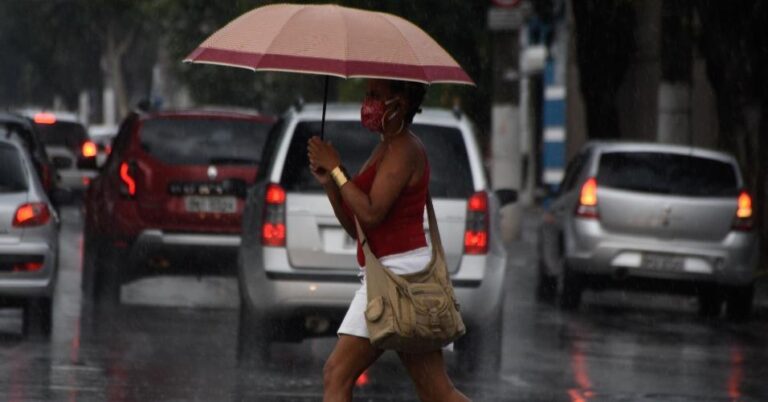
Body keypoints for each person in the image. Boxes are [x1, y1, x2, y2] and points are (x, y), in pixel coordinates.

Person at [307, 78, 471, 402]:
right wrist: (330, 182)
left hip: (398, 280)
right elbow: (358, 228)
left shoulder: (405, 148)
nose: (368, 103)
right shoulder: (387, 146)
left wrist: (338, 168)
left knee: (336, 374)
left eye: (376, 96)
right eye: (368, 95)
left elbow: (371, 212)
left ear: (402, 102)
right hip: (390, 274)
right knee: (437, 392)